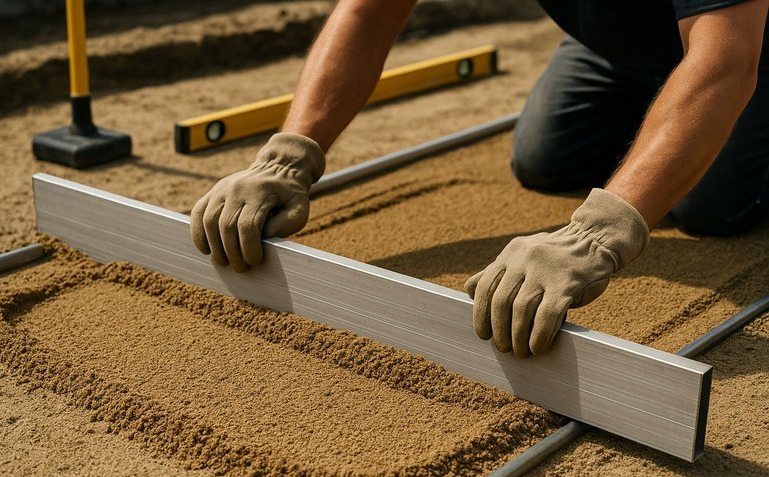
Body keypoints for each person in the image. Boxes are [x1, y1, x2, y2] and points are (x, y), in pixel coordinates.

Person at [190, 0, 769, 358]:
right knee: (545, 161)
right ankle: (668, 104)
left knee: (708, 208)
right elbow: (370, 10)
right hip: (617, 42)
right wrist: (289, 156)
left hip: (745, 45)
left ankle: (686, 113)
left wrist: (596, 235)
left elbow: (724, 60)